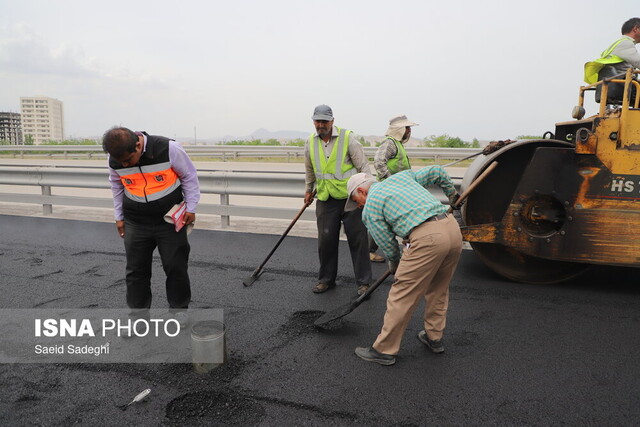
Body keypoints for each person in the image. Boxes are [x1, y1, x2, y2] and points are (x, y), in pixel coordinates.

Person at [345, 168, 462, 366]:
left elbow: (387, 243)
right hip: (452, 229)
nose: (359, 206)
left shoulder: (371, 206)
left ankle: (383, 350)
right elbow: (437, 172)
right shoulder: (401, 177)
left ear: (362, 192)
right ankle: (434, 337)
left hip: (427, 238)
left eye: (357, 202)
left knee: (402, 294)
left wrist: (395, 264)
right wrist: (452, 195)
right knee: (438, 288)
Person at [102, 127, 200, 316]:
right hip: (135, 221)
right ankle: (138, 317)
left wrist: (191, 207)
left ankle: (179, 312)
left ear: (138, 146)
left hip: (169, 220)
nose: (124, 165)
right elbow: (116, 185)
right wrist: (119, 216)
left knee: (175, 267)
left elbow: (189, 177)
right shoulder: (116, 157)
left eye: (128, 160)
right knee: (135, 271)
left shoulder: (168, 148)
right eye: (120, 161)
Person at [304, 105, 373, 296]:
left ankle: (364, 283)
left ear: (332, 121)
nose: (321, 125)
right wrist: (309, 190)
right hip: (326, 198)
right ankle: (326, 279)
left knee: (358, 240)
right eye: (317, 121)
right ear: (313, 121)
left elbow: (364, 168)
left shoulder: (347, 137)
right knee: (325, 241)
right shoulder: (310, 142)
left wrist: (365, 194)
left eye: (324, 121)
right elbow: (309, 169)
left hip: (351, 199)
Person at [369, 115, 418, 263]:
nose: (409, 131)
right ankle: (370, 251)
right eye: (407, 128)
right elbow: (378, 162)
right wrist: (390, 181)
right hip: (389, 190)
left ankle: (406, 252)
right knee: (380, 222)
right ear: (400, 129)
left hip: (398, 190)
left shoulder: (398, 144)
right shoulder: (390, 143)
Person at [585, 17, 640, 103]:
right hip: (625, 86)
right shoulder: (625, 43)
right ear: (636, 29)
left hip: (620, 83)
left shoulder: (616, 44)